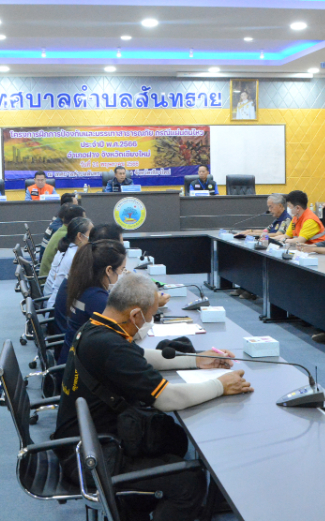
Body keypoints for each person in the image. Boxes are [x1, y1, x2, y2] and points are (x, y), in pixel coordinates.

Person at [53, 273, 251, 521]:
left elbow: (141, 357)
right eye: (150, 317)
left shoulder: (95, 328)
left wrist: (197, 359)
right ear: (135, 315)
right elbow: (168, 399)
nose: (149, 322)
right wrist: (220, 385)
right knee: (189, 482)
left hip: (83, 444)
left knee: (174, 439)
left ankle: (136, 508)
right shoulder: (110, 347)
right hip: (91, 460)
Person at [52, 239, 128, 363]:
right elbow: (125, 330)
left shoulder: (82, 286)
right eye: (122, 270)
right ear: (109, 270)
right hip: (80, 369)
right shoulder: (96, 298)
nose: (122, 274)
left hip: (72, 360)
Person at [44, 217, 94, 309]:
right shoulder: (75, 256)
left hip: (56, 301)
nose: (93, 239)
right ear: (80, 236)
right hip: (58, 307)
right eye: (91, 235)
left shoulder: (69, 249)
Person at [39, 204, 86, 278]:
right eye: (84, 220)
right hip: (48, 278)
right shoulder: (66, 236)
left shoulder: (61, 230)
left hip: (49, 276)